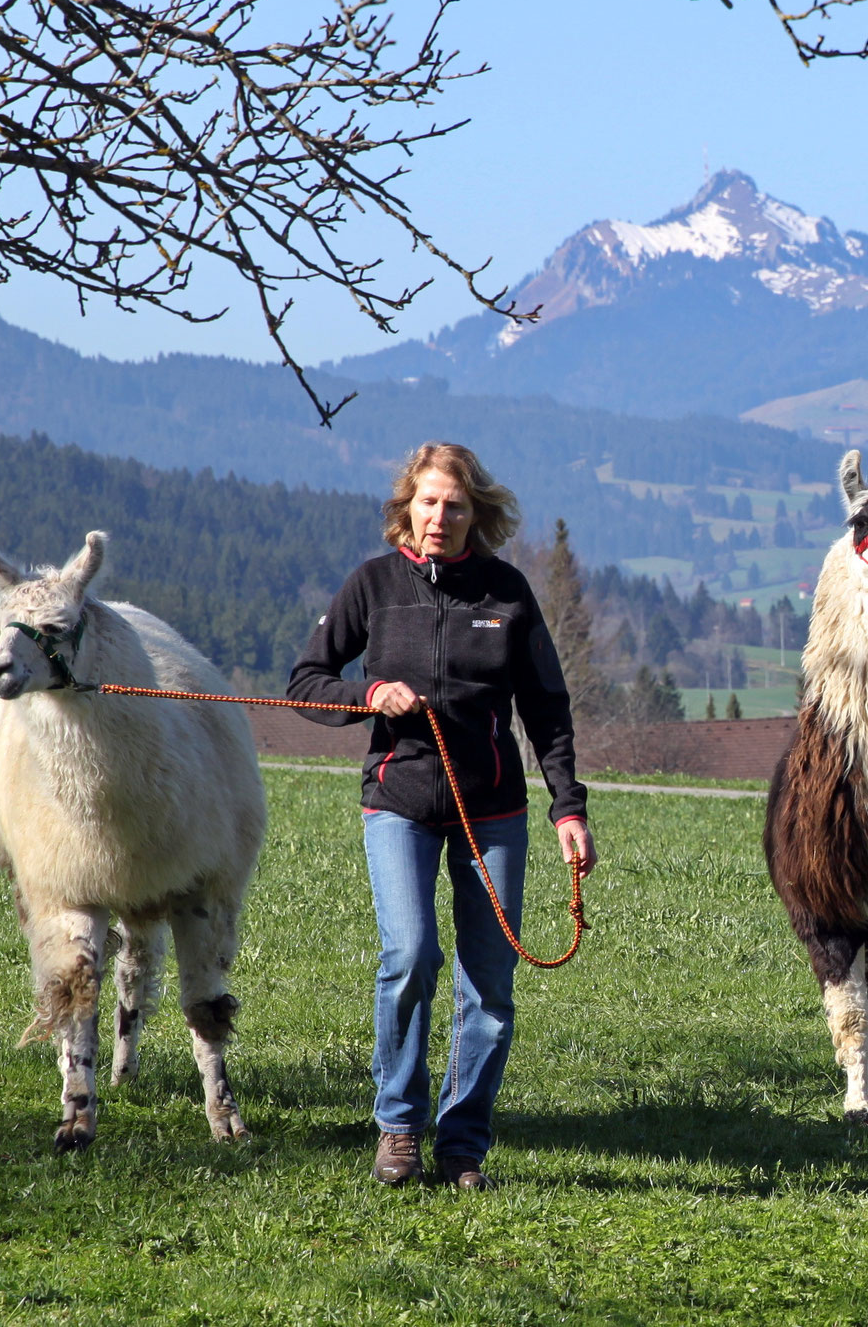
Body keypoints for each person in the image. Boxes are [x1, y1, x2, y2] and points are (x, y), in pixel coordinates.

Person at [288, 442, 594, 1190]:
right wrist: (368, 696)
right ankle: (398, 1126)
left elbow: (546, 708)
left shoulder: (506, 593)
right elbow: (305, 682)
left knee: (488, 985)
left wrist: (568, 808)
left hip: (493, 811)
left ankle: (463, 1145)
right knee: (412, 955)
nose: (439, 516)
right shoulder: (374, 585)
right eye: (427, 501)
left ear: (475, 513)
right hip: (399, 802)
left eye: (454, 505)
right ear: (408, 506)